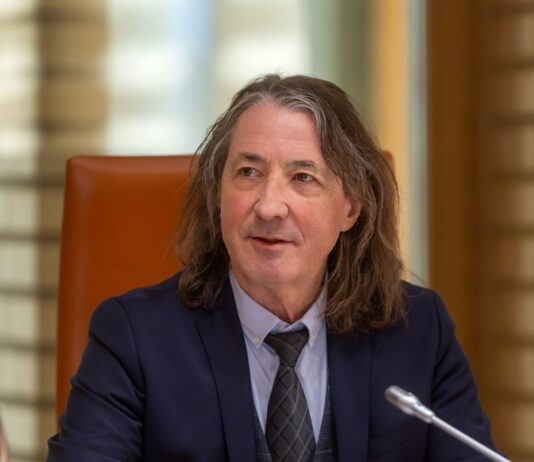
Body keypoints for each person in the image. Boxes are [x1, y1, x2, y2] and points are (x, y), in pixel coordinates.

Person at [47, 74, 498, 461]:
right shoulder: (133, 338)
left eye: (303, 178)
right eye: (248, 172)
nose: (269, 206)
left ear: (350, 208)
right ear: (217, 194)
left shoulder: (418, 330)